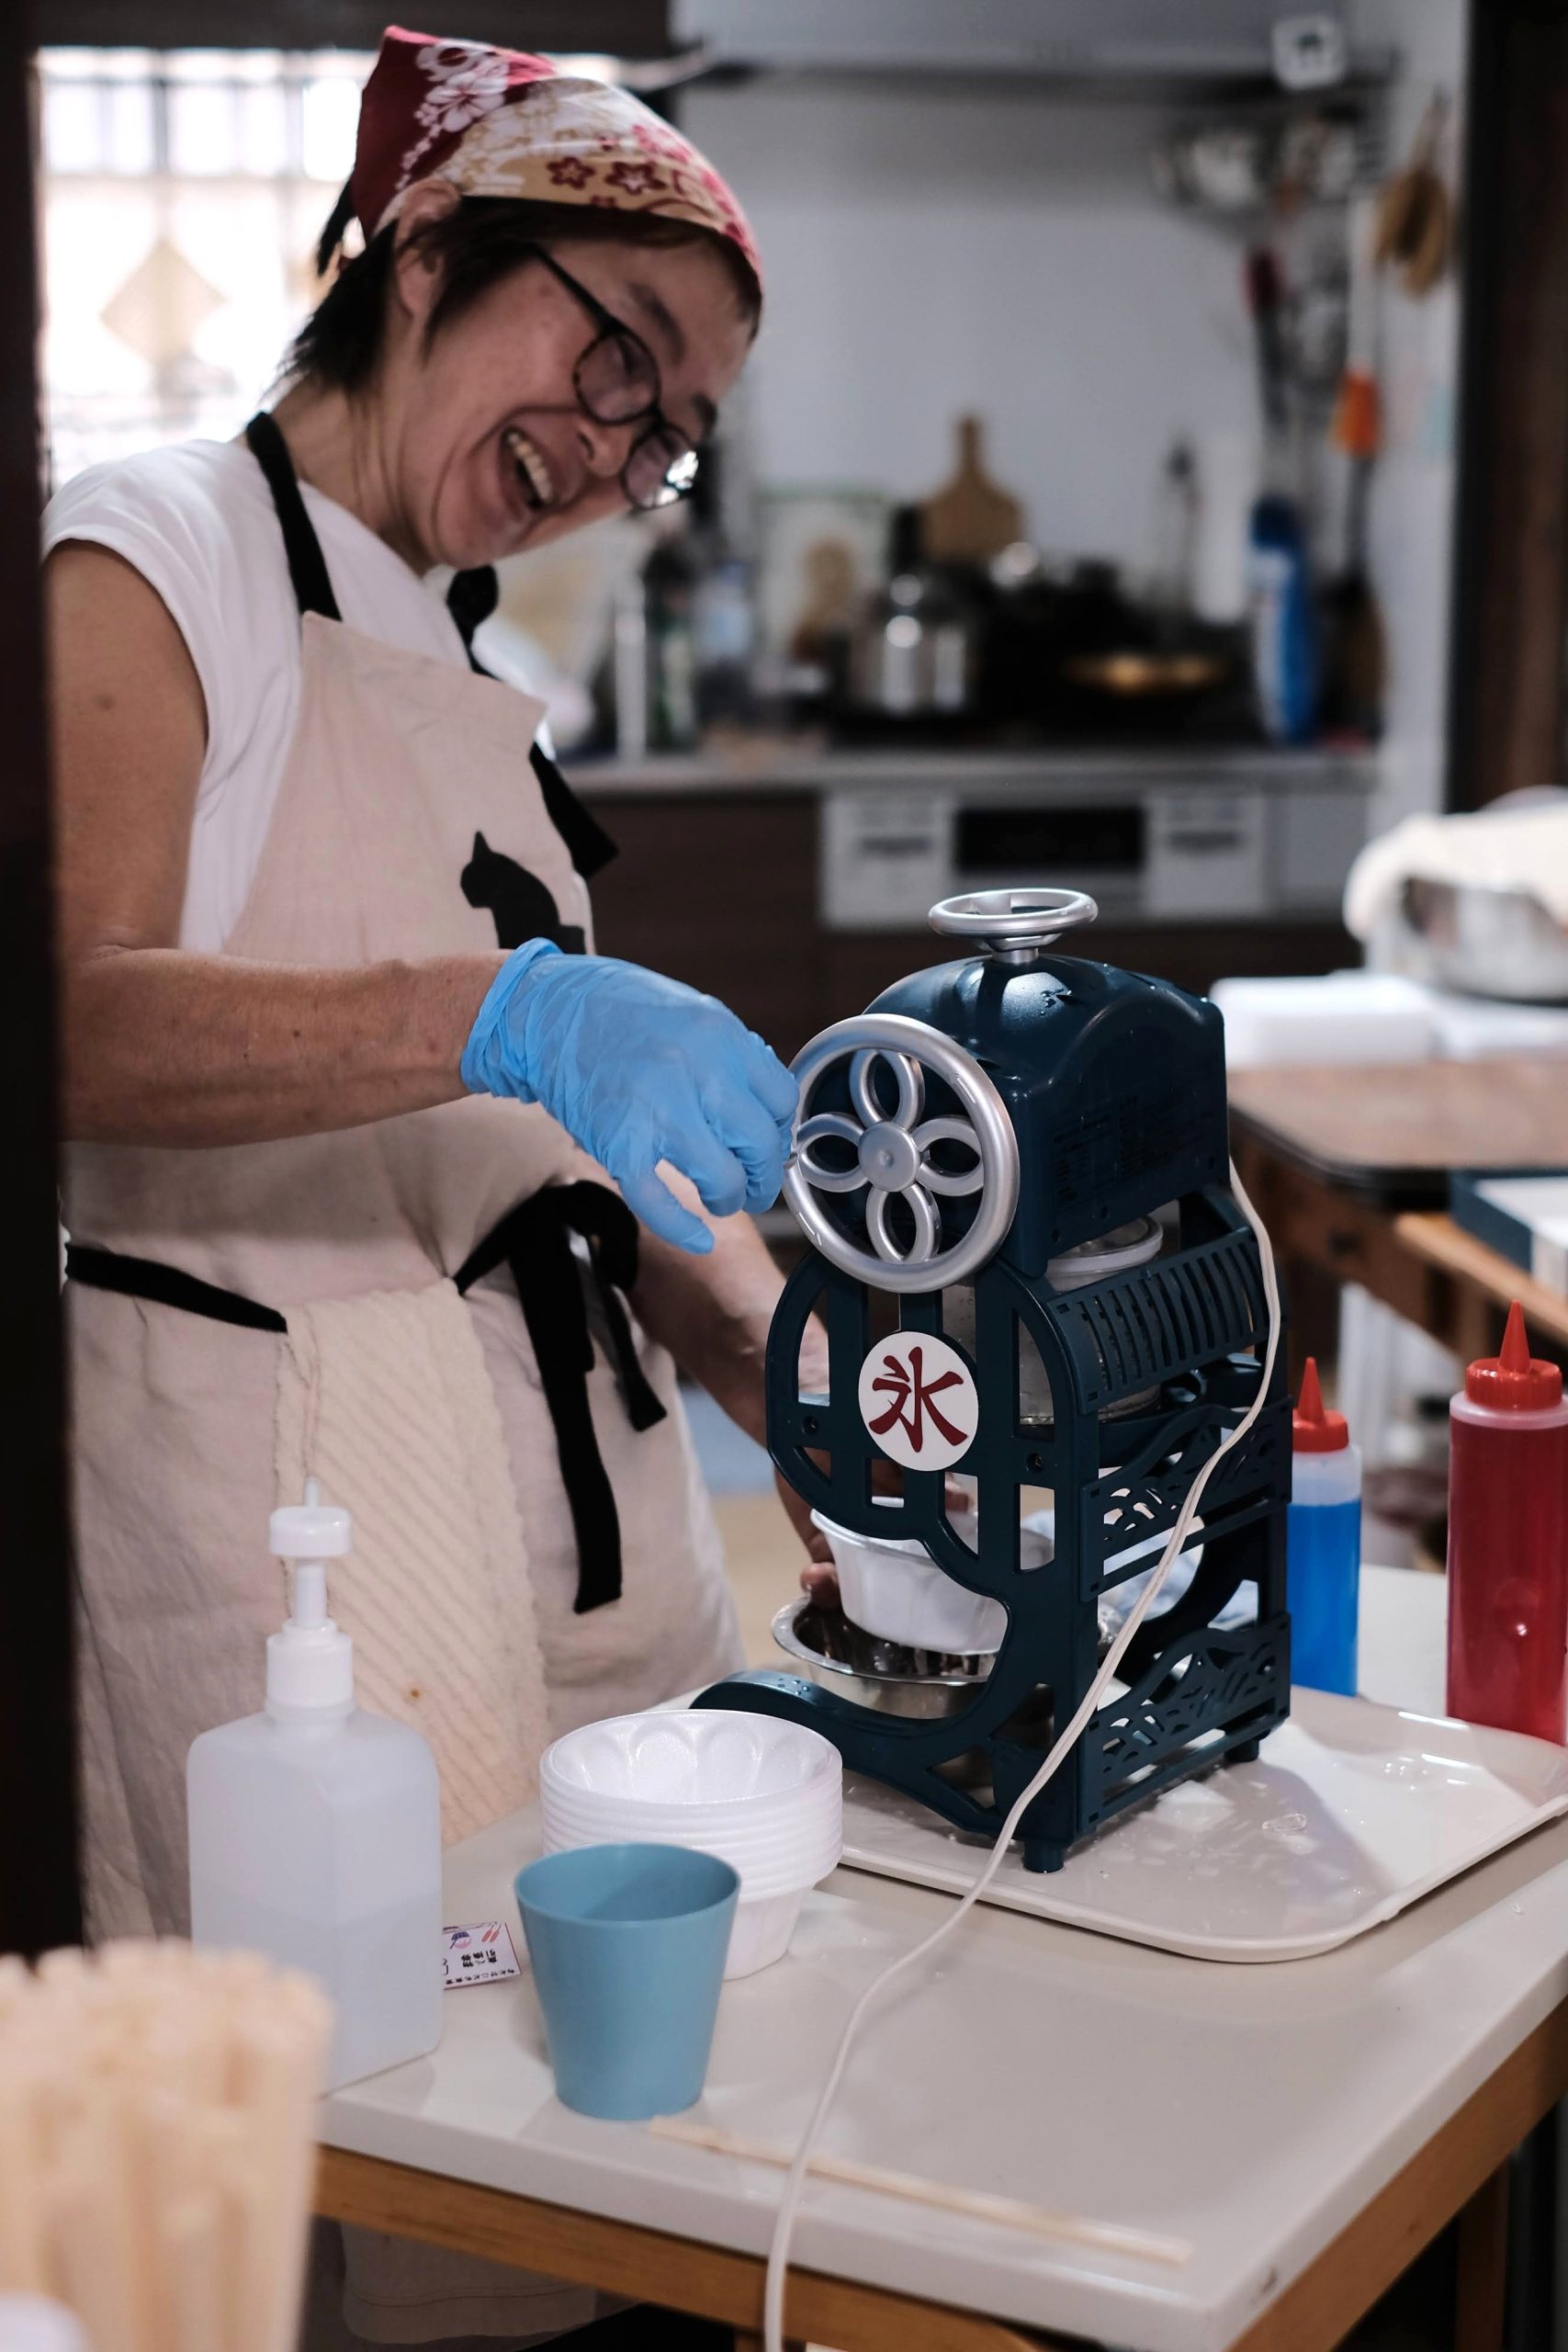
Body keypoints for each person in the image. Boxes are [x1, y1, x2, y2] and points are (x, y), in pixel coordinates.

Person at [47, 30, 826, 2346]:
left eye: (671, 428)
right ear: (425, 257)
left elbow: (552, 1156)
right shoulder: (159, 550)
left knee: (601, 2159)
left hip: (569, 1524)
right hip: (290, 1533)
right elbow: (63, 1020)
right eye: (617, 348)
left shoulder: (468, 665)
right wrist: (502, 1006)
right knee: (358, 2167)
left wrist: (779, 1355)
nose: (619, 446)